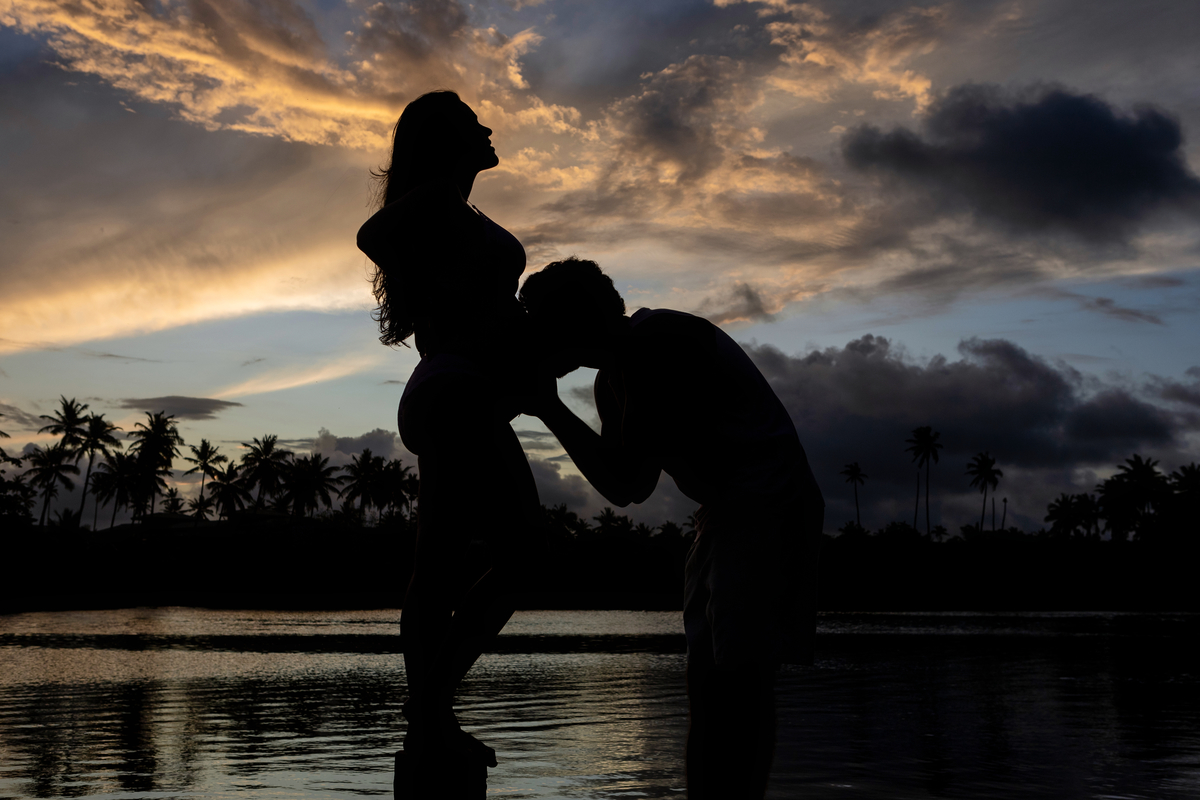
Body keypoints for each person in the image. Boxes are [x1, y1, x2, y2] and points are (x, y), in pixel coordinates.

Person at [519, 257, 824, 800]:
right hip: (728, 508)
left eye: (540, 326)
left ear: (572, 326)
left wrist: (546, 406)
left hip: (766, 498)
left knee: (740, 683)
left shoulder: (652, 345)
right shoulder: (612, 377)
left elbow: (625, 481)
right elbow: (627, 486)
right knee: (709, 688)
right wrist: (549, 407)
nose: (533, 341)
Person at [356, 91, 541, 791]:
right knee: (525, 552)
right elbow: (373, 237)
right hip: (454, 388)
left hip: (467, 394)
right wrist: (437, 180)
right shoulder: (432, 211)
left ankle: (428, 711)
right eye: (472, 125)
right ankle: (431, 702)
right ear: (447, 143)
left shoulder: (463, 215)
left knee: (437, 562)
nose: (489, 129)